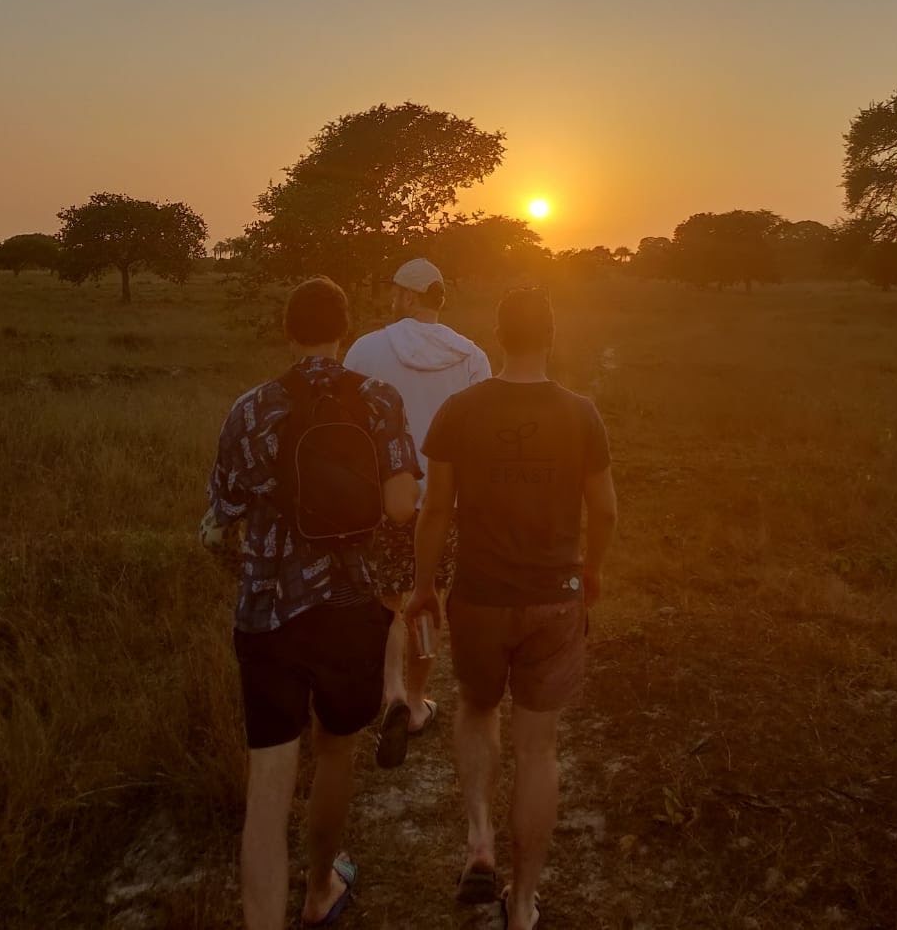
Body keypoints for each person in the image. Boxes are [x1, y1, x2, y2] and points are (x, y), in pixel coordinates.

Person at [201, 275, 421, 930]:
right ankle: (321, 887)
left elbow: (220, 518)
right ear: (343, 329)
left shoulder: (251, 407)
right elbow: (402, 506)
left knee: (267, 784)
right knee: (334, 751)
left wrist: (245, 567)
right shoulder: (380, 401)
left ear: (289, 331)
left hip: (268, 612)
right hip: (353, 609)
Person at [406, 288, 618, 930]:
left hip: (478, 596)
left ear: (498, 336)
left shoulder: (460, 409)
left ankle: (479, 842)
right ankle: (522, 904)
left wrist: (422, 589)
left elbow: (436, 510)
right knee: (539, 749)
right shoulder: (581, 413)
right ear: (550, 336)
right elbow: (604, 509)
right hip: (555, 599)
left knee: (474, 708)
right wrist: (591, 573)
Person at [343, 257, 490, 751]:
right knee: (427, 601)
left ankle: (392, 694)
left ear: (406, 296)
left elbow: (349, 426)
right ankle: (421, 698)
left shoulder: (366, 349)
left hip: (383, 499)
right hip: (442, 506)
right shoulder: (471, 356)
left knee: (389, 598)